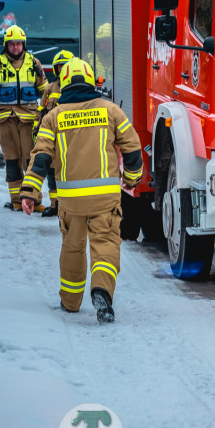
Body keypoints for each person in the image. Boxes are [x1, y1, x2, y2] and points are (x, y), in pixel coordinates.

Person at [20, 58, 143, 323]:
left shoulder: (54, 117)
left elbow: (40, 156)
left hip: (70, 200)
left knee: (73, 248)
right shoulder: (110, 111)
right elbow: (132, 147)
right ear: (91, 81)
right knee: (106, 244)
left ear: (63, 84)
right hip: (105, 198)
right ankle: (101, 289)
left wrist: (30, 192)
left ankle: (70, 302)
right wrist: (132, 179)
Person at [0, 24, 48, 211]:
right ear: (6, 45)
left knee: (30, 159)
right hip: (5, 119)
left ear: (23, 44)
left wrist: (48, 113)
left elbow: (45, 91)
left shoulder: (34, 63)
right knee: (12, 160)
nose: (15, 47)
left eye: (18, 44)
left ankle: (35, 199)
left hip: (29, 120)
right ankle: (16, 200)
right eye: (11, 44)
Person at [34, 49, 73, 218]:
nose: (62, 70)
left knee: (69, 171)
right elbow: (40, 111)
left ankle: (69, 206)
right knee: (51, 171)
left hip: (70, 138)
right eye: (59, 67)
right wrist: (36, 130)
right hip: (52, 137)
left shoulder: (76, 88)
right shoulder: (50, 88)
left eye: (65, 67)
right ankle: (54, 205)